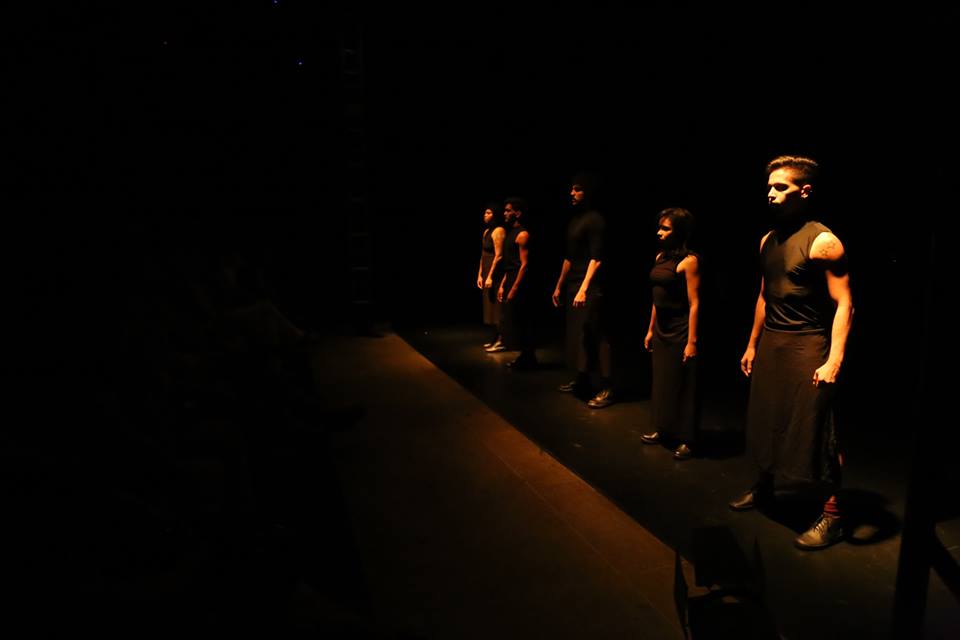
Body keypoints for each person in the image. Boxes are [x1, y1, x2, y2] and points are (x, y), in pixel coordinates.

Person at [729, 155, 854, 551]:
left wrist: (833, 360)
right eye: (769, 186)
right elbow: (764, 296)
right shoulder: (767, 239)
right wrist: (752, 343)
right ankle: (765, 487)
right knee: (767, 417)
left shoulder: (824, 242)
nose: (771, 193)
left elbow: (845, 303)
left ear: (805, 191)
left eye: (781, 187)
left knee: (816, 429)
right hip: (773, 343)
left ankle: (833, 515)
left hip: (807, 345)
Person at [639, 208, 701, 460]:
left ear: (679, 232)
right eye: (660, 227)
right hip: (662, 329)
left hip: (680, 329)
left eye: (666, 228)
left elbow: (695, 303)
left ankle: (687, 438)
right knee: (663, 380)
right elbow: (656, 298)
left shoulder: (689, 261)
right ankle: (663, 427)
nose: (659, 232)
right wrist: (650, 329)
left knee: (683, 384)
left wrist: (692, 341)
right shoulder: (660, 257)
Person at [552, 174, 614, 408]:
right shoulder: (575, 221)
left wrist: (584, 288)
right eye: (572, 189)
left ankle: (608, 386)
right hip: (574, 283)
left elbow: (597, 258)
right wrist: (559, 285)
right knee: (578, 335)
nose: (572, 193)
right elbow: (569, 257)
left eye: (577, 189)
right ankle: (582, 378)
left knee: (597, 334)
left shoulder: (596, 220)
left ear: (588, 192)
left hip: (590, 285)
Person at [498, 197, 537, 369]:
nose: (505, 213)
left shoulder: (522, 234)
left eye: (508, 210)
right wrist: (503, 284)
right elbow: (510, 264)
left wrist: (514, 288)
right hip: (511, 278)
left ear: (518, 213)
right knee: (515, 321)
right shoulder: (510, 233)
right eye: (505, 210)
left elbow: (524, 264)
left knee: (523, 320)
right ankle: (525, 356)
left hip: (520, 282)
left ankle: (529, 357)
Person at [477, 203, 506, 351]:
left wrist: (490, 276)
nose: (485, 215)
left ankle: (502, 340)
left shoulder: (498, 231)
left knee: (497, 308)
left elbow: (499, 255)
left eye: (488, 213)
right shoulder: (486, 231)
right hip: (487, 272)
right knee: (490, 307)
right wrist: (480, 274)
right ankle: (495, 337)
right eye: (485, 212)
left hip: (496, 274)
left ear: (495, 215)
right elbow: (483, 255)